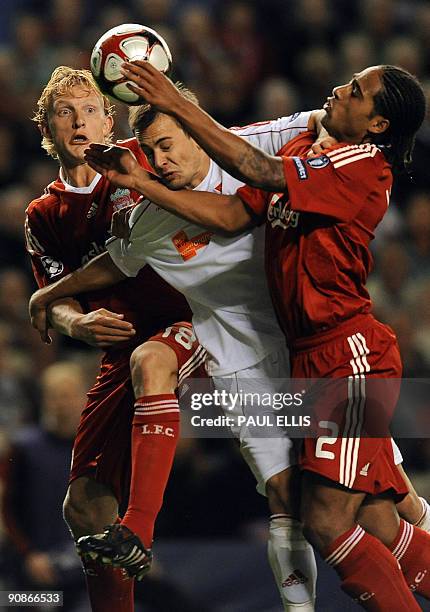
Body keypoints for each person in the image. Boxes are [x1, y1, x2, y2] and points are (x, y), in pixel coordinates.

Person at [29, 72, 430, 610]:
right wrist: (52, 299)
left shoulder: (344, 160)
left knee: (346, 515)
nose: (159, 159)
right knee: (334, 512)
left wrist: (172, 99)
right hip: (274, 356)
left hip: (343, 347)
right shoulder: (274, 164)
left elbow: (259, 167)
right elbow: (231, 216)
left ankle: (140, 529)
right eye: (151, 150)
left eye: (166, 145)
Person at [25, 66, 206, 612]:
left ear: (111, 119)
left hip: (199, 318)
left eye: (90, 109)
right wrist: (75, 323)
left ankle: (140, 530)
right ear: (47, 130)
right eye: (65, 112)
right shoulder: (43, 215)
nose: (79, 120)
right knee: (82, 506)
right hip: (123, 351)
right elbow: (57, 302)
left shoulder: (141, 158)